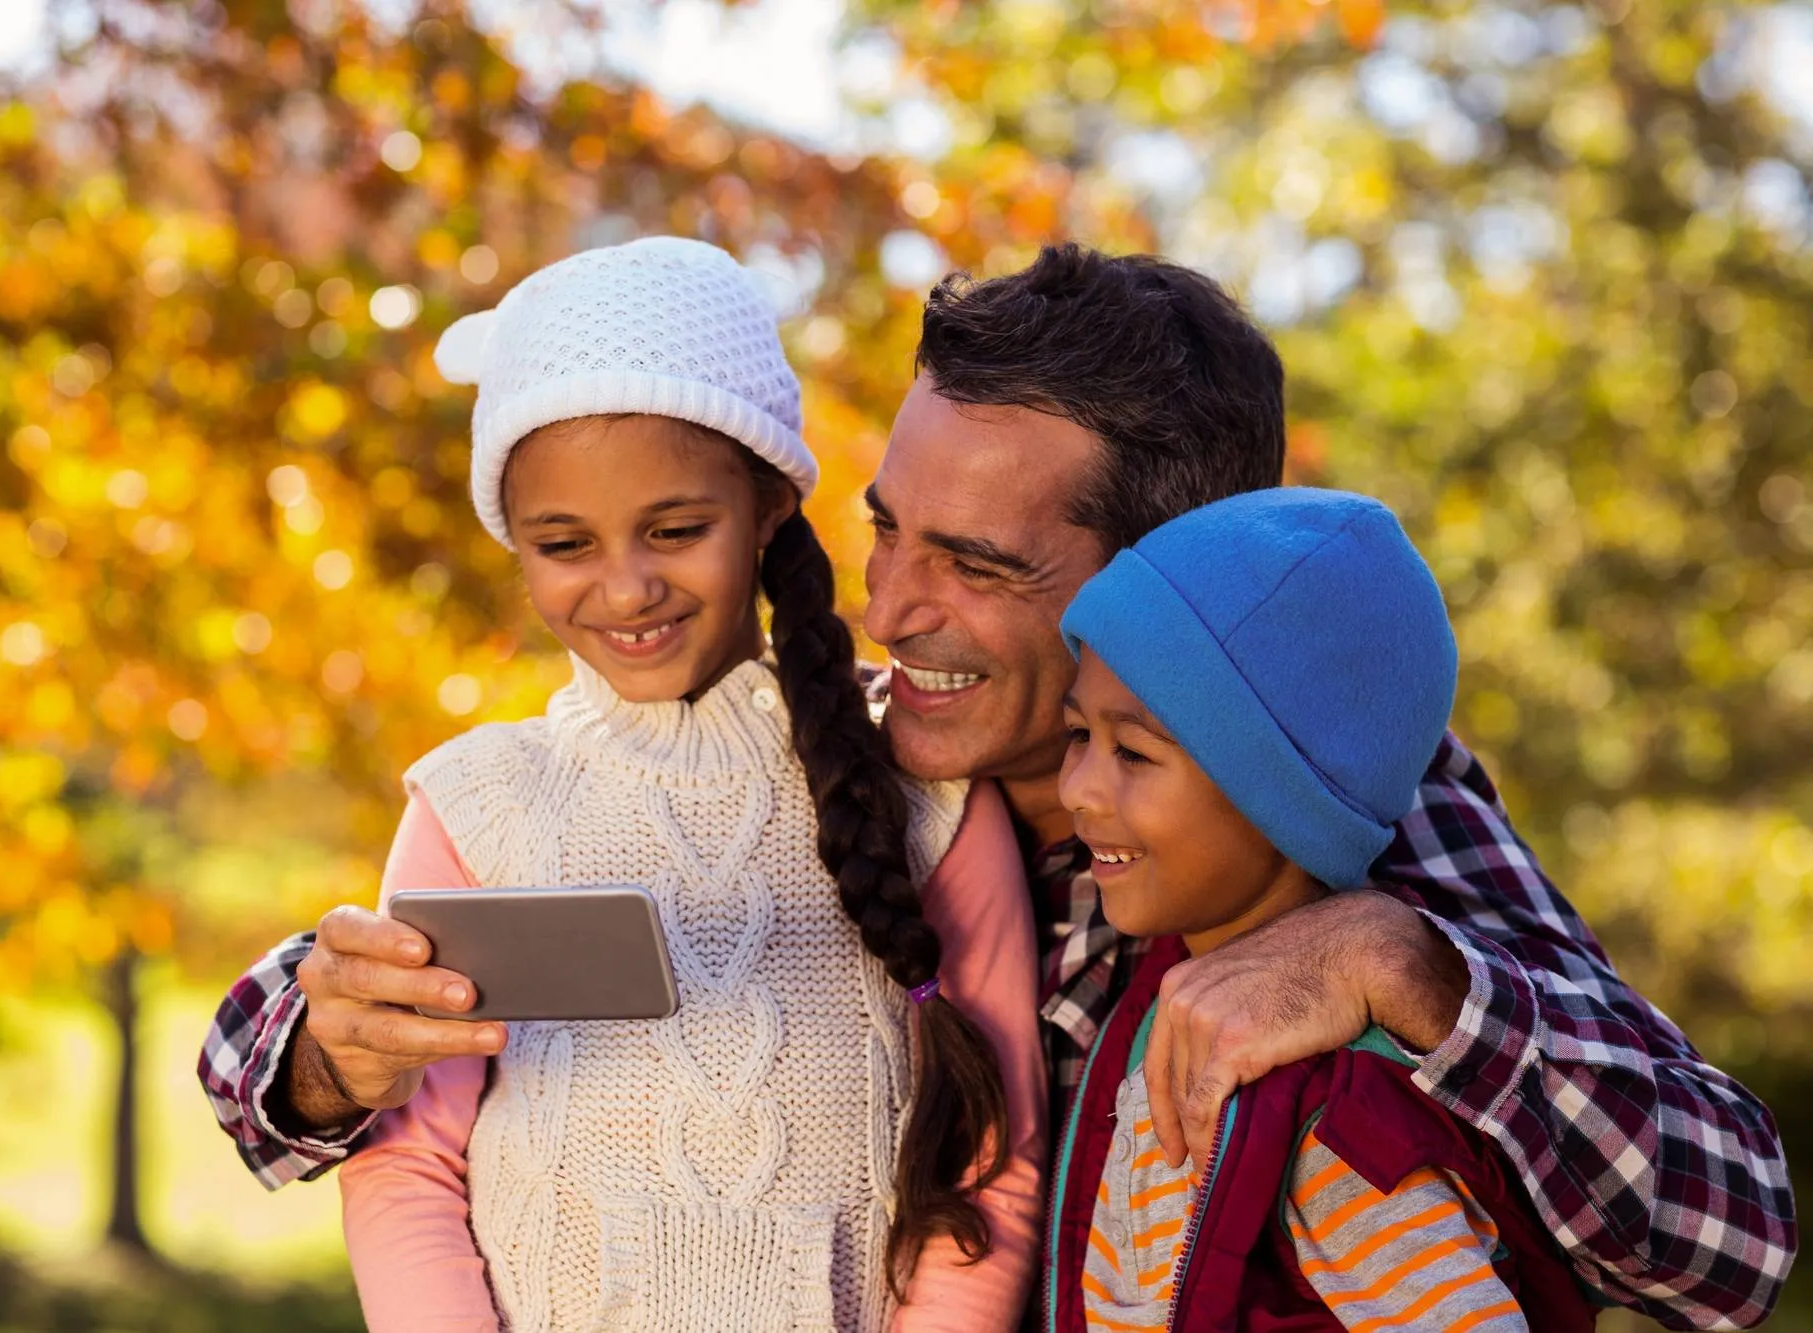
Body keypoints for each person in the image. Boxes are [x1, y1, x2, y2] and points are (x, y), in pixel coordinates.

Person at [199, 244, 1796, 1327]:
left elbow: (1731, 1243)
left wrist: (1407, 966)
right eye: (888, 526)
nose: (891, 609)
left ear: (1172, 577)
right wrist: (321, 1038)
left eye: (975, 564)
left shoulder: (1348, 803)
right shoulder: (824, 753)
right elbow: (296, 1075)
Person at [320, 237, 1046, 1331]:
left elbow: (996, 1158)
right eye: (563, 543)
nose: (626, 586)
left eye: (675, 529)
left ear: (764, 507)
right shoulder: (477, 808)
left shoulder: (922, 783)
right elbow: (407, 1161)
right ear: (514, 548)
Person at [1049, 487, 1591, 1331]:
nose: (1077, 787)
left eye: (1134, 751)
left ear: (1281, 801)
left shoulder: (1340, 1123)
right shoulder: (1164, 991)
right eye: (1079, 734)